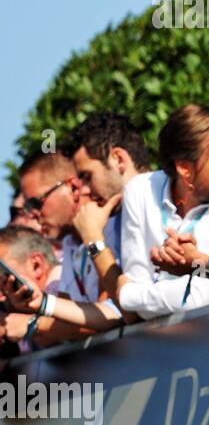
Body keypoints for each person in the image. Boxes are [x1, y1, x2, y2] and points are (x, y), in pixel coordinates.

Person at [113, 105, 209, 319]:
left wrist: (129, 296)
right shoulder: (139, 191)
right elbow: (139, 308)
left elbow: (202, 297)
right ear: (185, 168)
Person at [63, 112, 152, 306]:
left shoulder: (171, 200)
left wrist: (93, 239)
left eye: (87, 176)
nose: (84, 190)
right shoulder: (111, 222)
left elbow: (129, 311)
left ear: (118, 160)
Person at [0, 226, 125, 348]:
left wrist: (31, 324)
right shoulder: (69, 245)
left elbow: (102, 322)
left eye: (3, 273)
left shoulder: (54, 285)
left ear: (36, 265)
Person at [15, 153, 82, 296]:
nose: (32, 213)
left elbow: (116, 312)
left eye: (36, 203)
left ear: (73, 188)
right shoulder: (70, 244)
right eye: (28, 206)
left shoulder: (112, 230)